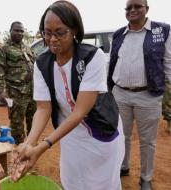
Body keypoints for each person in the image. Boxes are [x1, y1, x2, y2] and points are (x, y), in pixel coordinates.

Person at [10, 1, 125, 190]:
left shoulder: (91, 57)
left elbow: (80, 112)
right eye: (47, 33)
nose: (52, 39)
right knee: (73, 181)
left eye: (60, 32)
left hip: (99, 131)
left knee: (103, 183)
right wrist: (29, 143)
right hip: (69, 133)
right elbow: (43, 108)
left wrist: (43, 146)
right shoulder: (42, 63)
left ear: (74, 31)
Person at [107, 0, 171, 189]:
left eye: (137, 6)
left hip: (148, 95)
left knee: (148, 141)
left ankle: (146, 178)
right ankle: (123, 166)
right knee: (121, 135)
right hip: (120, 94)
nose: (132, 10)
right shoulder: (119, 34)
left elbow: (168, 63)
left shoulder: (162, 31)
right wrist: (107, 89)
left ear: (147, 9)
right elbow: (110, 62)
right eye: (129, 7)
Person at [0, 21, 36, 145]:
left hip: (32, 92)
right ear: (10, 31)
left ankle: (30, 146)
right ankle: (19, 150)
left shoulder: (26, 48)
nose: (19, 33)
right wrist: (0, 91)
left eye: (22, 31)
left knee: (33, 121)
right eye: (17, 30)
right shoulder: (4, 49)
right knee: (17, 124)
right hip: (15, 93)